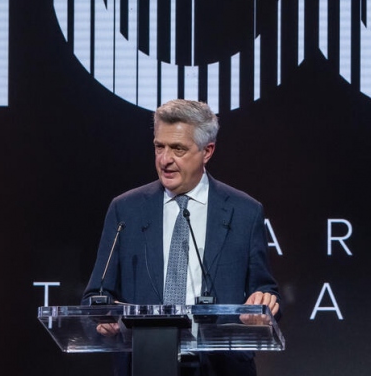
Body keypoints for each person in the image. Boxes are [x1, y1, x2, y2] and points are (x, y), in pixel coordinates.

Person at [82, 99, 280, 376]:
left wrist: (261, 308)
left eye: (178, 149)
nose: (165, 160)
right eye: (159, 146)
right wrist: (102, 316)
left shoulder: (244, 212)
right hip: (143, 363)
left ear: (207, 151)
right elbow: (96, 295)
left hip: (220, 367)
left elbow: (265, 293)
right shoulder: (125, 209)